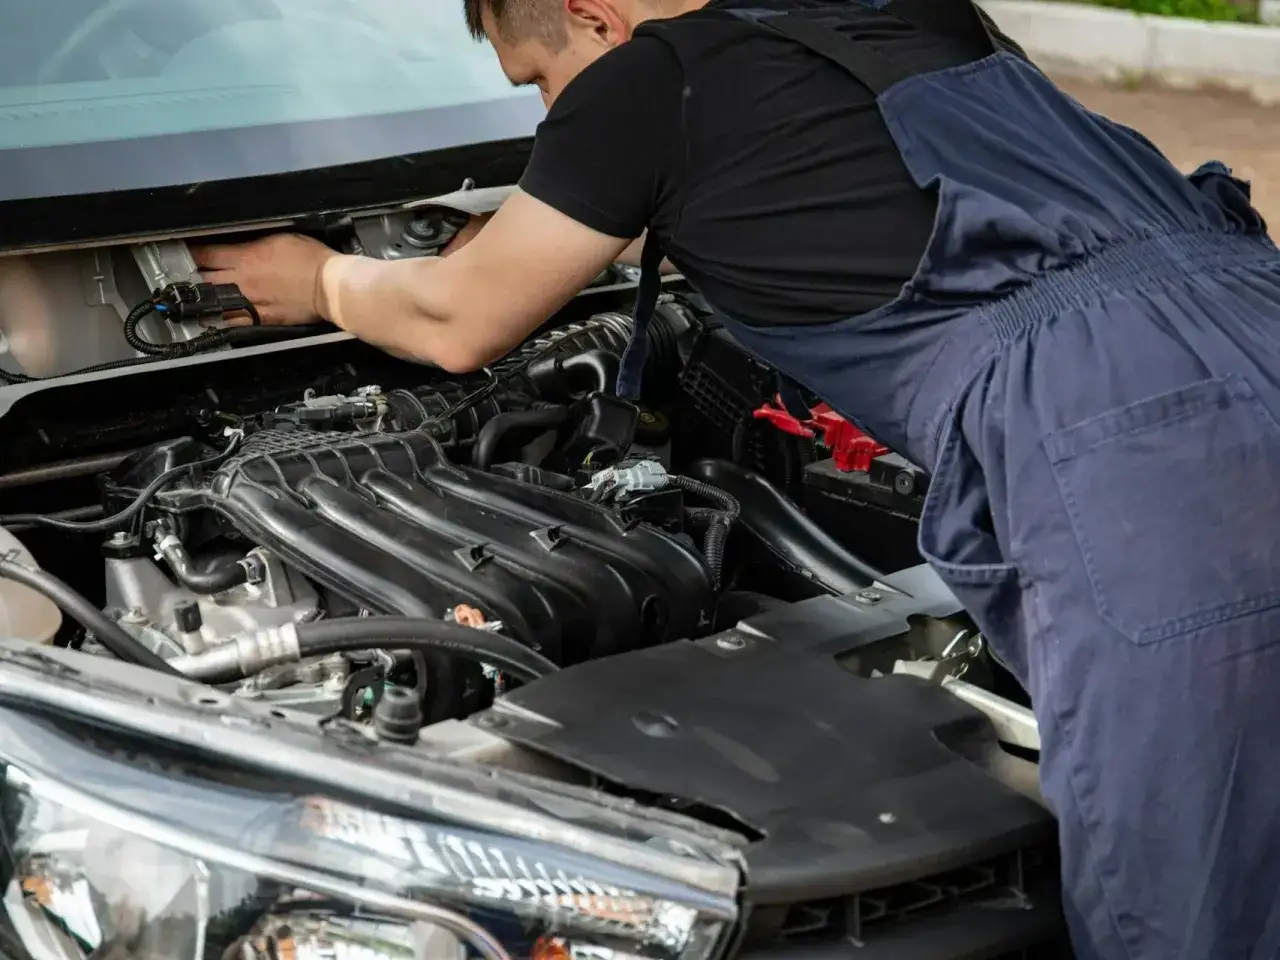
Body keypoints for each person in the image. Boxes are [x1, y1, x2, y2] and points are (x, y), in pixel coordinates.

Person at [191, 0, 1280, 956]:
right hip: (1248, 318)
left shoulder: (644, 82)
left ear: (593, 14)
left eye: (537, 82)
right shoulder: (901, 12)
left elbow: (453, 321)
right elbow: (843, 184)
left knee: (1186, 860)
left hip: (1134, 434)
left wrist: (320, 280)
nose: (545, 120)